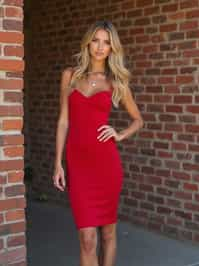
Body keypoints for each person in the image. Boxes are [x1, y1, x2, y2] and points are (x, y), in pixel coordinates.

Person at [52, 20, 144, 266]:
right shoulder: (69, 76)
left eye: (106, 43)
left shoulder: (116, 82)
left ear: (113, 48)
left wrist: (120, 134)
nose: (100, 47)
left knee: (108, 233)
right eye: (96, 40)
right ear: (88, 43)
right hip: (78, 164)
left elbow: (138, 120)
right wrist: (58, 164)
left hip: (106, 165)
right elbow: (63, 122)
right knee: (87, 238)